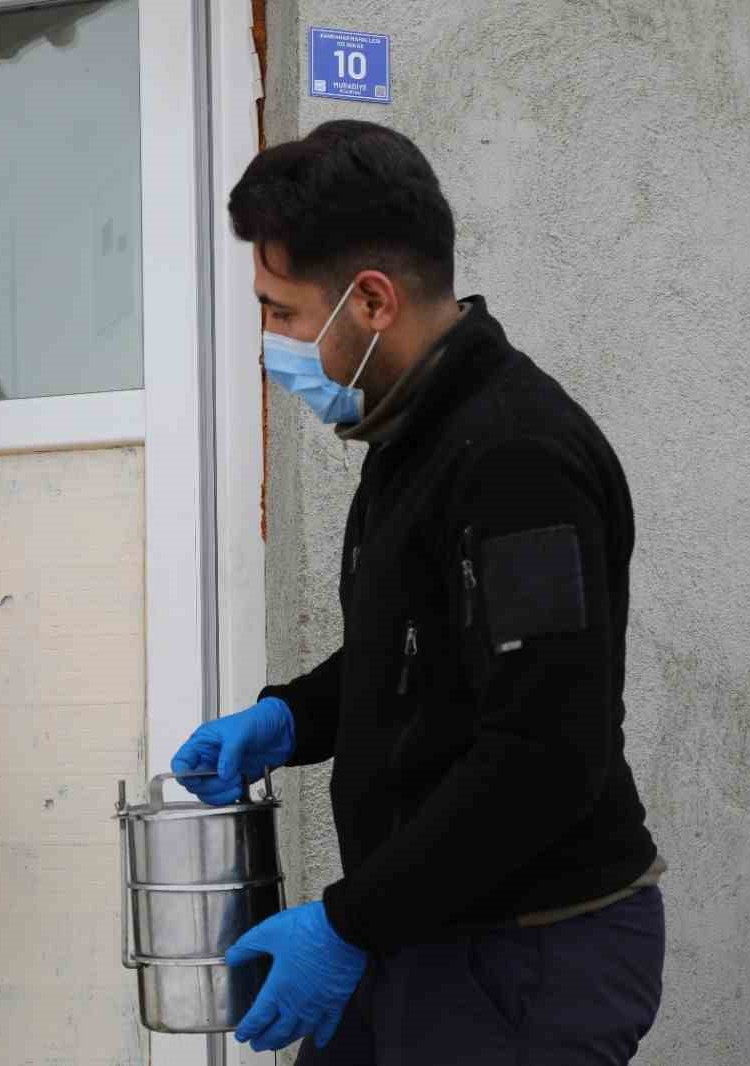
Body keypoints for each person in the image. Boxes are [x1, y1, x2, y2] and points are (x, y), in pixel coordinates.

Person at [170, 121, 666, 1064]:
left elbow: (546, 749)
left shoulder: (517, 462)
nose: (267, 342)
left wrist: (348, 923)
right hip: (426, 925)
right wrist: (290, 720)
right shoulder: (413, 436)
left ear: (371, 301)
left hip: (531, 950)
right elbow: (419, 650)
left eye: (280, 312)